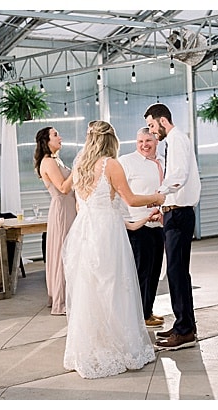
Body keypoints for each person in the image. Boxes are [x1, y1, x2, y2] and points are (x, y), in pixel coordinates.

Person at [61, 120, 163, 379]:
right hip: (107, 235)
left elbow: (86, 208)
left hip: (86, 231)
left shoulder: (81, 165)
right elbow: (129, 199)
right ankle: (118, 346)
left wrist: (141, 220)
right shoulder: (110, 164)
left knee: (91, 290)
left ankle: (91, 347)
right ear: (111, 140)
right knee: (115, 288)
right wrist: (158, 198)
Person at [145, 103, 202, 351]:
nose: (151, 132)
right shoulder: (175, 141)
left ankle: (185, 330)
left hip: (179, 215)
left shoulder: (177, 140)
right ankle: (184, 323)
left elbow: (178, 175)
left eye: (151, 126)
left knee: (177, 273)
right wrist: (164, 204)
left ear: (163, 121)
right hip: (173, 212)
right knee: (177, 273)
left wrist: (160, 194)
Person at [119, 127, 166, 328]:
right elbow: (121, 194)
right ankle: (138, 315)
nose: (144, 145)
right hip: (138, 224)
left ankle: (147, 310)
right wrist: (126, 221)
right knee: (141, 272)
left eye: (148, 140)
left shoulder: (163, 161)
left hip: (159, 222)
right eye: (140, 141)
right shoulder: (126, 162)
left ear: (157, 141)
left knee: (155, 270)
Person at [34, 126, 76, 316]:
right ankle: (60, 301)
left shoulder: (56, 159)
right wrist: (77, 170)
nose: (60, 137)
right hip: (61, 210)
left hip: (69, 208)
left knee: (68, 253)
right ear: (46, 141)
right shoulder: (48, 162)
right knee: (62, 253)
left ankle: (66, 295)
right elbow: (63, 188)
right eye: (55, 134)